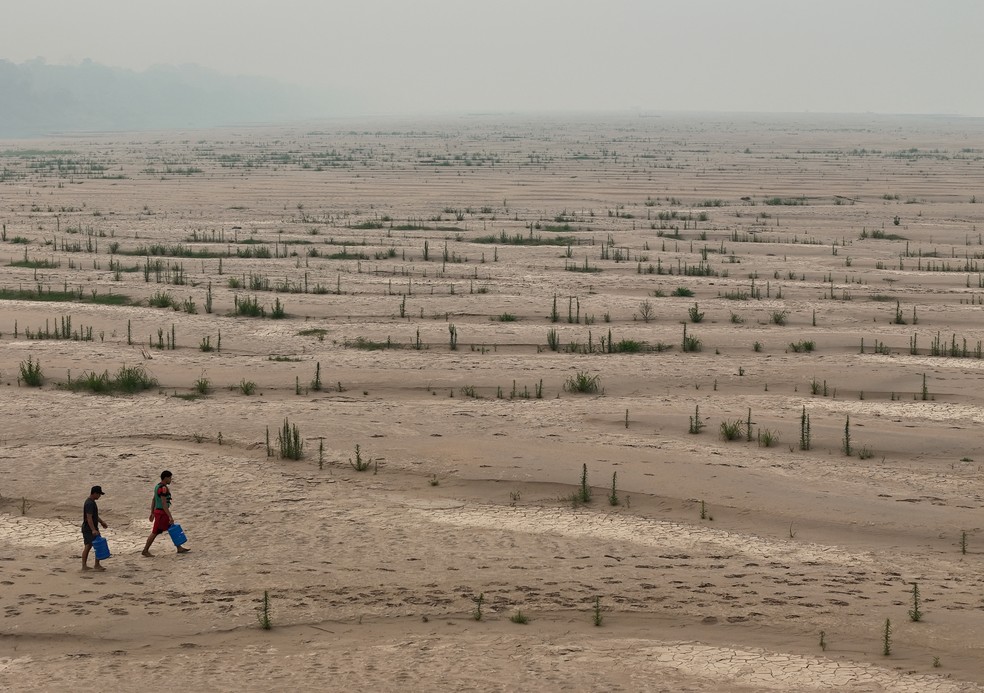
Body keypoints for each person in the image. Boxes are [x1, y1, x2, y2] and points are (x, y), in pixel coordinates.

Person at [142, 470, 190, 556]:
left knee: (171, 527)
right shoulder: (163, 488)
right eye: (170, 478)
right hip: (161, 513)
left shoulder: (157, 486)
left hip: (158, 512)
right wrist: (170, 516)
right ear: (166, 478)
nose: (171, 480)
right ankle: (145, 550)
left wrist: (152, 512)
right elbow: (164, 504)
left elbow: (154, 500)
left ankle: (179, 547)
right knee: (155, 532)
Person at [81, 486, 108, 571]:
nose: (100, 496)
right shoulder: (89, 503)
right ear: (95, 493)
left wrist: (101, 522)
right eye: (99, 494)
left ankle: (91, 565)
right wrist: (93, 529)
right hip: (89, 529)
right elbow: (89, 517)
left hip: (90, 528)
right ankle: (91, 565)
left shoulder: (91, 502)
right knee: (91, 546)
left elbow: (94, 516)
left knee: (90, 546)